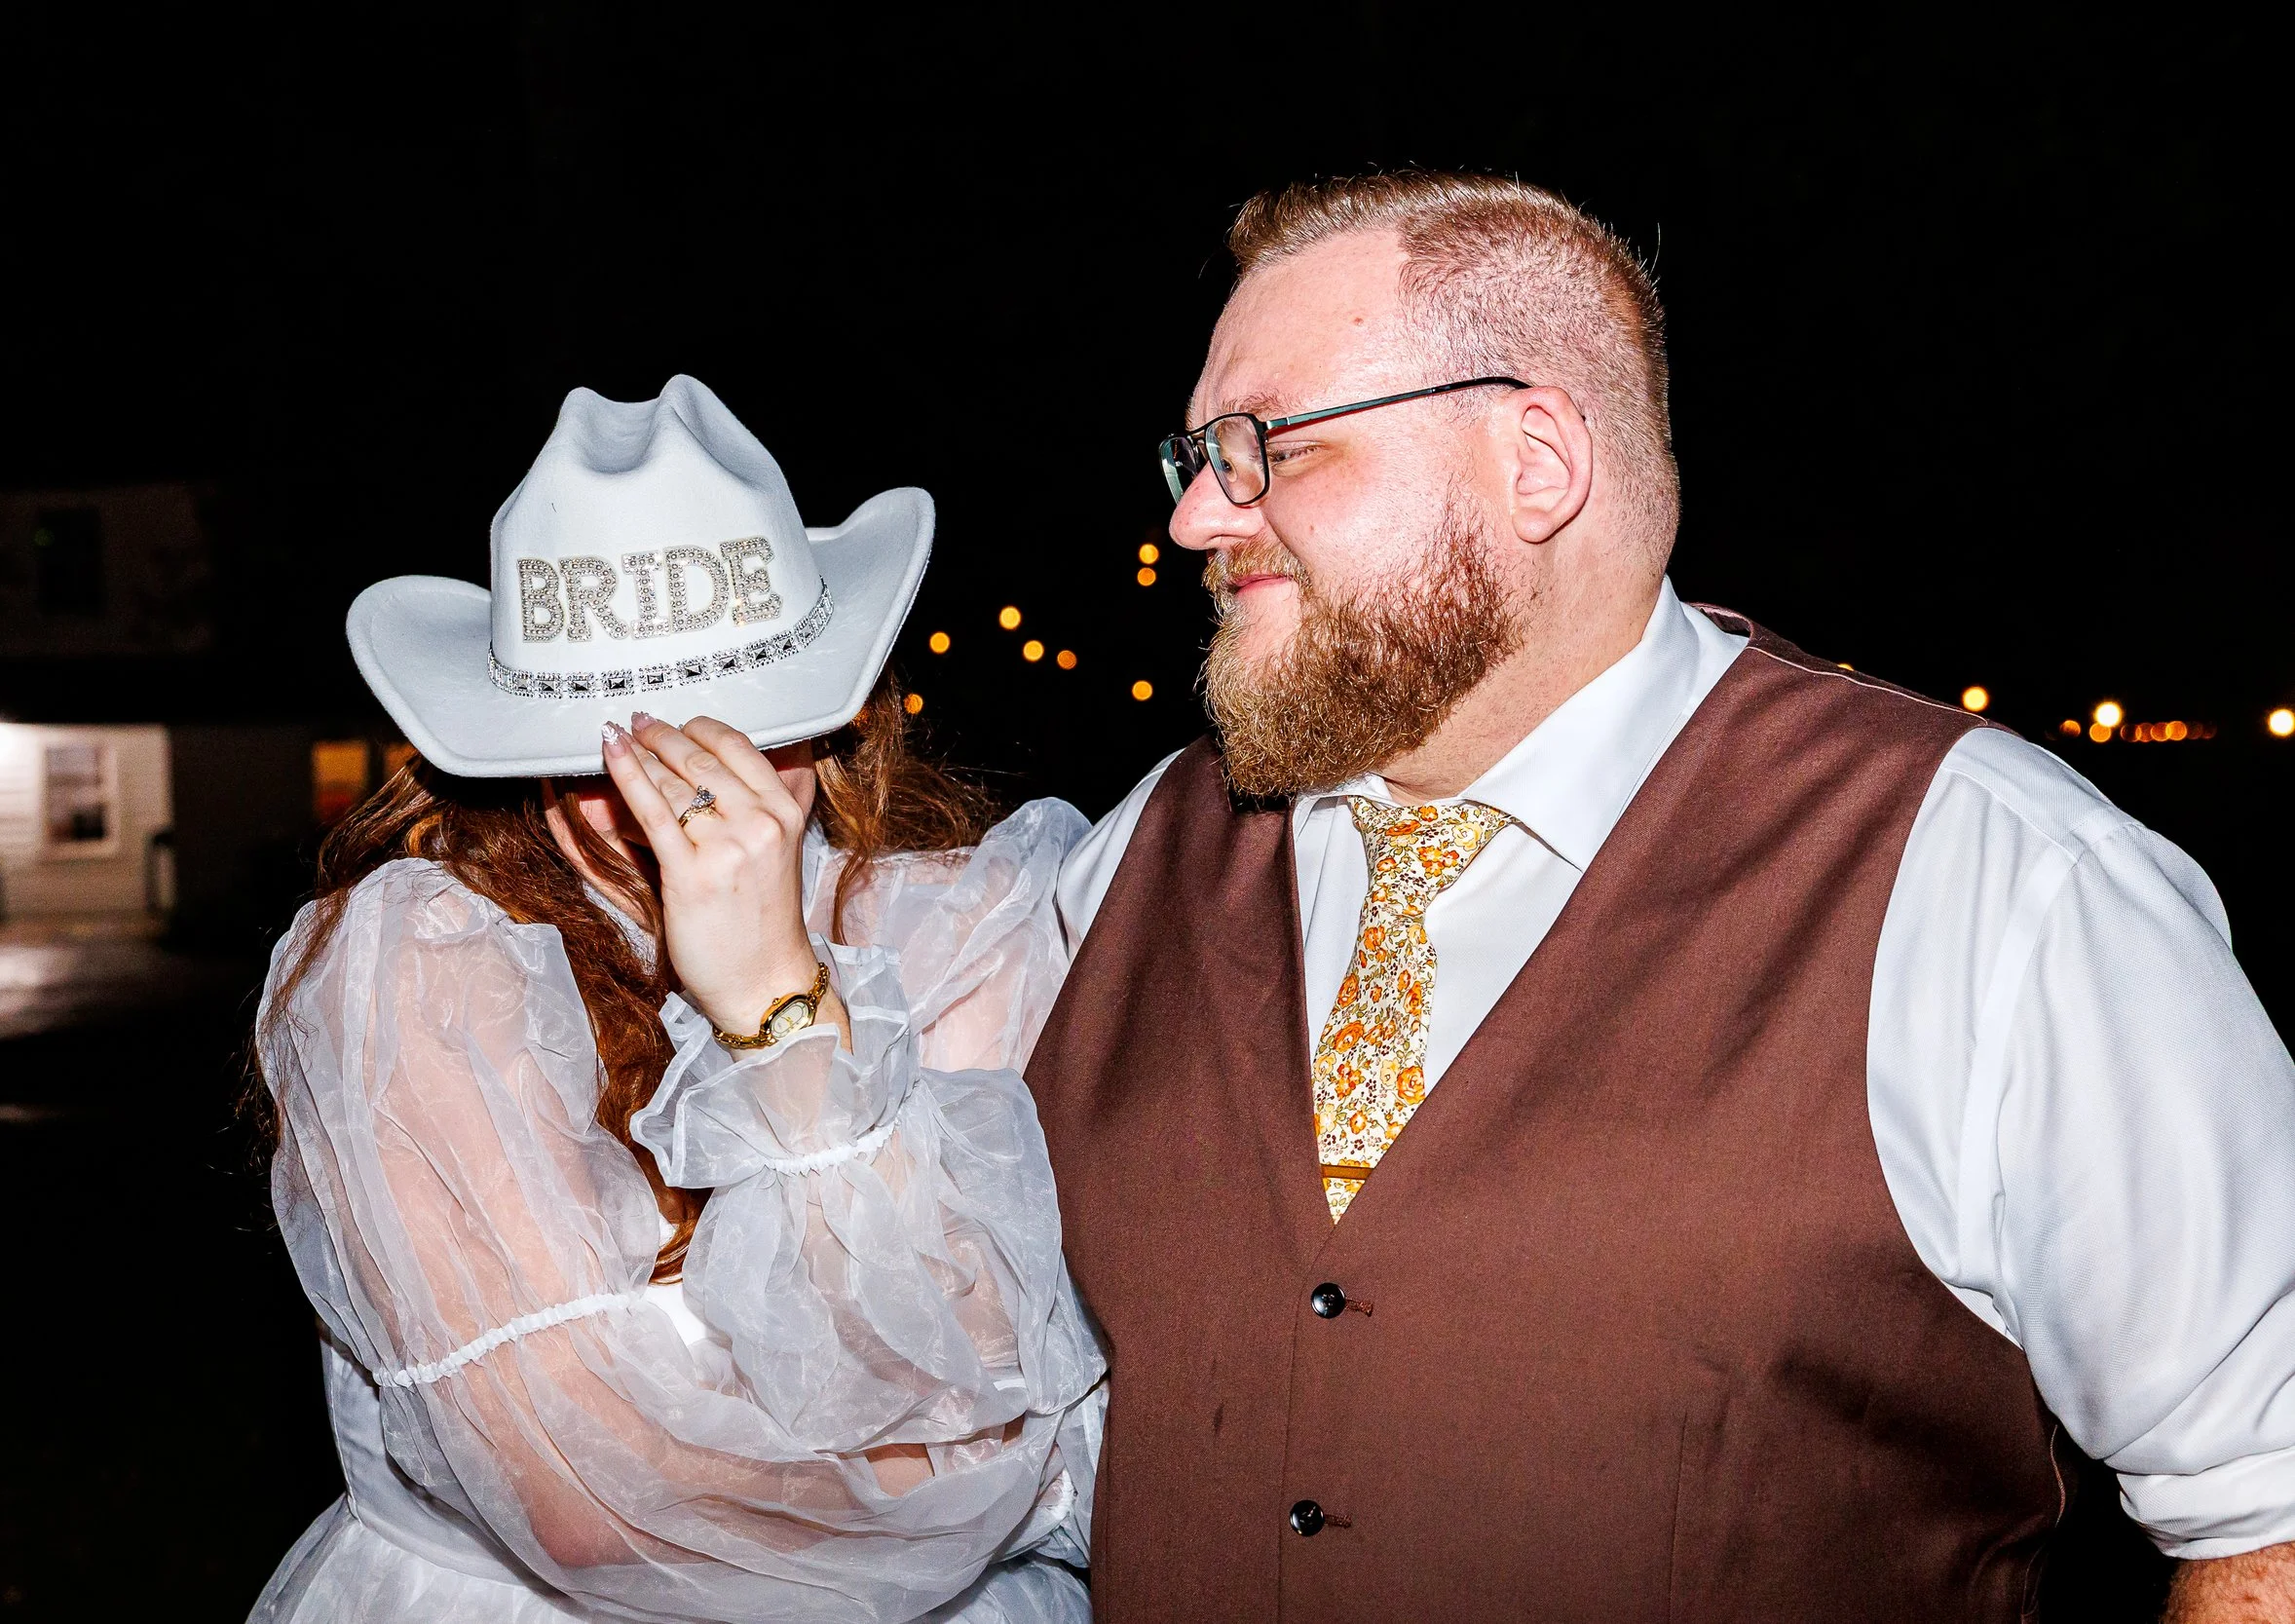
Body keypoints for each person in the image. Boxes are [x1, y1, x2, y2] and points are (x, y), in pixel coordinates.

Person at [1035, 171, 2295, 1619]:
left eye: (1269, 447)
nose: (1200, 514)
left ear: (1537, 459)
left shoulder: (1991, 877)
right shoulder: (1131, 858)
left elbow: (2271, 1507)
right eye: (1198, 454)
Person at [248, 377, 1104, 1623]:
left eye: (734, 737)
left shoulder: (963, 927)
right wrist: (991, 1484)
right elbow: (594, 1505)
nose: (668, 802)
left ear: (831, 720)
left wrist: (778, 996)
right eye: (611, 748)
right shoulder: (419, 970)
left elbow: (1018, 1362)